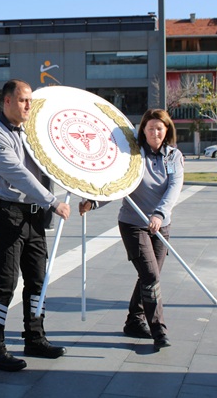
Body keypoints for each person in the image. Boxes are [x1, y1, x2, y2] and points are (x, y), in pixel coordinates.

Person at [0, 79, 71, 372]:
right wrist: (53, 201)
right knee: (4, 284)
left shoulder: (32, 134)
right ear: (7, 101)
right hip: (8, 216)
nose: (28, 106)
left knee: (37, 282)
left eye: (30, 101)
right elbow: (19, 174)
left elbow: (55, 161)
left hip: (34, 218)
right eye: (23, 100)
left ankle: (35, 337)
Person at [79, 108, 184, 351]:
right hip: (133, 224)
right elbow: (118, 186)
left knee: (150, 276)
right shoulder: (133, 156)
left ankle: (134, 320)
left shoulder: (174, 156)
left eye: (159, 128)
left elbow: (174, 188)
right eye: (150, 128)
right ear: (143, 131)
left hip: (161, 225)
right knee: (151, 276)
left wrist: (159, 214)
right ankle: (158, 330)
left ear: (167, 130)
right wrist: (93, 202)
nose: (155, 133)